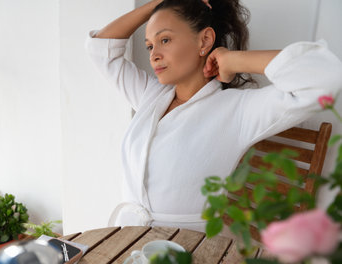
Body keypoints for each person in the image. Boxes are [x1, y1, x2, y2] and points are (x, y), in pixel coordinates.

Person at [85, 0, 342, 232]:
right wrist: (159, 4)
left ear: (204, 41)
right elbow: (100, 49)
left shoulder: (237, 110)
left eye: (164, 40)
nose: (154, 55)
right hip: (129, 241)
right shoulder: (150, 96)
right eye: (150, 45)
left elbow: (326, 78)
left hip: (189, 251)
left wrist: (235, 60)